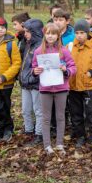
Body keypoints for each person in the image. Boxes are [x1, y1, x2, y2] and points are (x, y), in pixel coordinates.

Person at [32, 23, 76, 155]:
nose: (50, 36)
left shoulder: (64, 51)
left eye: (53, 33)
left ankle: (59, 144)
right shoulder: (38, 51)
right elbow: (33, 67)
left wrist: (66, 70)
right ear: (44, 34)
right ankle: (47, 145)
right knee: (46, 117)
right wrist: (35, 71)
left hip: (61, 88)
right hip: (45, 89)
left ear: (58, 35)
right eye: (48, 33)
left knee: (60, 117)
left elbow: (73, 67)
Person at [69, 19, 92, 149]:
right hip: (73, 85)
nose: (79, 35)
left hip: (88, 85)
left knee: (91, 113)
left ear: (87, 33)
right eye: (77, 33)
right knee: (76, 113)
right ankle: (80, 136)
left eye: (82, 33)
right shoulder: (71, 46)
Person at [19, 19, 44, 146]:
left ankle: (39, 134)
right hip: (25, 83)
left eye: (28, 31)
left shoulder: (41, 46)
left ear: (35, 32)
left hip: (36, 84)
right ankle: (28, 131)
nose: (25, 34)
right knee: (25, 110)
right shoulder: (27, 44)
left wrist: (33, 78)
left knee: (38, 110)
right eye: (25, 31)